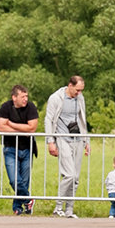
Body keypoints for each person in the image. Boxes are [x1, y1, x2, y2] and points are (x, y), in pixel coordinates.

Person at [45, 76, 88, 218]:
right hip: (62, 138)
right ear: (70, 85)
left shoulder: (80, 98)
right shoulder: (56, 98)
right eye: (77, 90)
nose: (79, 93)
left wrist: (86, 140)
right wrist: (50, 141)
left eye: (81, 90)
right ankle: (58, 207)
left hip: (77, 139)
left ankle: (69, 209)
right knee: (68, 174)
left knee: (75, 177)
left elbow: (83, 119)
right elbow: (49, 119)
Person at [0, 85, 39, 215]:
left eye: (26, 96)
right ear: (14, 97)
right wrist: (22, 129)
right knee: (14, 180)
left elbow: (32, 128)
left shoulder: (31, 107)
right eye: (23, 97)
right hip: (10, 148)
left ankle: (18, 208)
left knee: (24, 181)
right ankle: (28, 199)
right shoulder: (5, 107)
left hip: (27, 148)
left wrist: (11, 125)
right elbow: (1, 127)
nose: (25, 99)